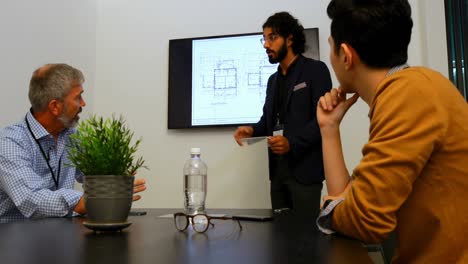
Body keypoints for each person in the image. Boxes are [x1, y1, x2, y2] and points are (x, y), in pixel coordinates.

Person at [316, 0, 468, 263]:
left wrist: (330, 209)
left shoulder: (407, 94)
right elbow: (353, 201)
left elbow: (365, 220)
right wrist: (329, 129)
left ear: (345, 55)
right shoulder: (411, 87)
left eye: (330, 47)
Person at [0, 63, 146, 222]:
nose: (83, 103)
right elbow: (30, 198)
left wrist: (115, 178)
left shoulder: (72, 136)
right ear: (55, 106)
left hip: (60, 235)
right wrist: (85, 201)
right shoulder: (10, 142)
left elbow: (96, 175)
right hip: (14, 240)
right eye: (78, 97)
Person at [234, 12, 332, 217]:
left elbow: (323, 122)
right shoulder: (272, 81)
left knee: (305, 242)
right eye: (264, 38)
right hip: (278, 174)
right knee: (279, 240)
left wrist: (291, 143)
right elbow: (267, 121)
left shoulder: (315, 71)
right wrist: (251, 130)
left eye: (272, 38)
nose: (265, 45)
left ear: (289, 39)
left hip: (305, 173)